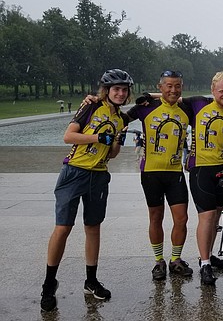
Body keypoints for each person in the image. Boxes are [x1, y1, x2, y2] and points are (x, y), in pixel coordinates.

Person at [40, 69, 133, 312]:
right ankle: (49, 284)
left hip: (99, 175)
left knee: (93, 228)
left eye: (124, 90)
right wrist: (97, 138)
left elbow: (111, 154)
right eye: (116, 89)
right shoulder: (91, 107)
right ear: (107, 90)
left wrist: (115, 143)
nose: (121, 93)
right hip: (75, 172)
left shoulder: (120, 119)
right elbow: (68, 136)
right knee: (63, 228)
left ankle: (91, 281)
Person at [124, 70, 192, 281]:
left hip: (175, 174)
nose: (173, 89)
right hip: (151, 173)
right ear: (160, 86)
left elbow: (215, 100)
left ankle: (175, 260)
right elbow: (118, 118)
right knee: (156, 217)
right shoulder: (146, 108)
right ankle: (158, 261)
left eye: (177, 86)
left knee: (181, 219)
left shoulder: (186, 109)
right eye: (168, 86)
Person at [181, 71, 223, 285]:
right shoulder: (198, 104)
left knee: (217, 216)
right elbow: (169, 96)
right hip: (200, 168)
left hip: (221, 167)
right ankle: (205, 264)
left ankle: (207, 256)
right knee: (207, 217)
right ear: (213, 90)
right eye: (222, 90)